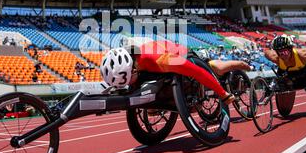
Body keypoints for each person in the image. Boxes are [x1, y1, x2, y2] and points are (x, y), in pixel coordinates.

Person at [100, 38, 245, 105]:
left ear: (133, 68)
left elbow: (197, 72)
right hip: (154, 60)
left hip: (179, 53)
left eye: (127, 80)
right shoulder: (133, 63)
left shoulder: (161, 60)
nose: (128, 85)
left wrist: (222, 94)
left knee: (215, 67)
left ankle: (240, 64)